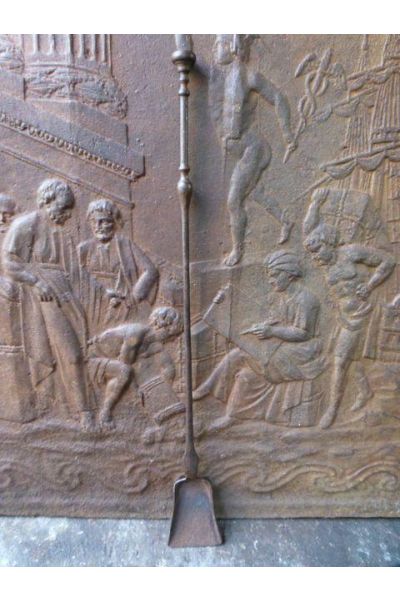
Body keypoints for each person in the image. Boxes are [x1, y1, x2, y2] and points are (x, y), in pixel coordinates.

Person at [194, 251, 325, 428]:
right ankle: (232, 413)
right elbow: (277, 320)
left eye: (274, 275)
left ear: (289, 274)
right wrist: (259, 324)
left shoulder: (306, 300)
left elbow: (303, 334)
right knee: (245, 372)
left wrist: (271, 331)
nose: (270, 280)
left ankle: (207, 388)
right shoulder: (282, 297)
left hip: (302, 351)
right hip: (283, 345)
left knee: (240, 354)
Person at [2, 179, 93, 429]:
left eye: (69, 210)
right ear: (47, 201)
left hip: (64, 294)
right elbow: (9, 263)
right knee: (71, 352)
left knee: (78, 351)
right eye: (63, 208)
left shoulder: (59, 231)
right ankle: (83, 412)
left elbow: (76, 269)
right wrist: (36, 282)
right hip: (43, 297)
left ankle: (71, 409)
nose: (67, 215)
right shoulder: (26, 225)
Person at [303, 192, 396, 428]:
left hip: (364, 312)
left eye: (317, 251)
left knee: (340, 360)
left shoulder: (351, 252)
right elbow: (309, 230)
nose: (314, 257)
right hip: (344, 316)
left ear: (329, 243)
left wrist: (370, 285)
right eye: (312, 253)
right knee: (348, 356)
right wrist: (315, 204)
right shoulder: (325, 263)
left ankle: (333, 410)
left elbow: (388, 261)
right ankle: (364, 391)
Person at [210, 35, 296, 266]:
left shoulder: (248, 77)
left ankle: (237, 252)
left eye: (218, 45)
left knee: (234, 201)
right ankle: (285, 221)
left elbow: (278, 98)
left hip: (253, 149)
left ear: (231, 47)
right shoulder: (227, 78)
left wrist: (287, 134)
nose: (214, 50)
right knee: (255, 193)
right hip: (241, 150)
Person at [87, 306, 183, 430]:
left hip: (109, 363)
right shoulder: (136, 333)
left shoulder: (154, 344)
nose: (172, 339)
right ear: (161, 326)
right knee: (124, 371)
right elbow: (126, 362)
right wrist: (137, 390)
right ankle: (105, 411)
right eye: (170, 334)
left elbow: (168, 366)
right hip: (91, 359)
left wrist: (167, 386)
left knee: (132, 370)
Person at [78, 198, 158, 334]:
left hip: (122, 305)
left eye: (104, 221)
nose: (98, 226)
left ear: (114, 222)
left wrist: (134, 296)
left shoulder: (125, 244)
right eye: (94, 221)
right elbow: (77, 277)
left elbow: (150, 271)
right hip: (93, 304)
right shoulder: (83, 249)